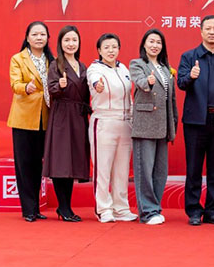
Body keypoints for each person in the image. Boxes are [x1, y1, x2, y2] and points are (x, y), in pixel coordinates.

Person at [177, 15, 214, 226]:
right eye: (208, 28)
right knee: (194, 167)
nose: (212, 32)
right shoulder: (189, 57)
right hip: (196, 121)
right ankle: (194, 210)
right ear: (201, 31)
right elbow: (181, 84)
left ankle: (212, 210)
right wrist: (191, 76)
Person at [86, 33, 138, 223]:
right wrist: (97, 85)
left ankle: (121, 208)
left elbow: (130, 95)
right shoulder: (95, 68)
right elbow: (94, 80)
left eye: (114, 47)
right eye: (106, 47)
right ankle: (103, 208)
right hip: (104, 121)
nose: (111, 51)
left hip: (124, 122)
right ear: (99, 50)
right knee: (103, 168)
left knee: (122, 170)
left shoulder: (123, 69)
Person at [130, 29, 178, 225]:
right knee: (144, 170)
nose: (155, 45)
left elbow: (171, 99)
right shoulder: (137, 64)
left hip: (163, 124)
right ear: (144, 44)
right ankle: (147, 212)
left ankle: (155, 207)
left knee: (160, 171)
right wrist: (147, 82)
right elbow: (140, 82)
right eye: (151, 41)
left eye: (158, 42)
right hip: (145, 124)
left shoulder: (166, 68)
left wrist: (173, 123)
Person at [43, 25, 90, 222]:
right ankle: (64, 207)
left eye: (74, 40)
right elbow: (51, 89)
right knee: (61, 162)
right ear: (60, 43)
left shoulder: (83, 66)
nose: (71, 44)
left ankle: (66, 207)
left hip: (78, 117)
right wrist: (59, 87)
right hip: (62, 116)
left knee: (72, 162)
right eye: (67, 40)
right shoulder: (56, 65)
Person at [7, 21, 54, 222]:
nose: (39, 38)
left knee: (37, 164)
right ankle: (28, 209)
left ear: (48, 38)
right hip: (24, 119)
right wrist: (26, 88)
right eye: (35, 34)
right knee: (24, 164)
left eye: (42, 34)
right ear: (27, 38)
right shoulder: (18, 59)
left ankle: (36, 207)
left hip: (46, 118)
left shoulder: (52, 60)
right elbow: (15, 84)